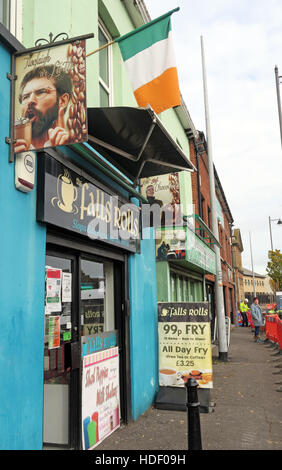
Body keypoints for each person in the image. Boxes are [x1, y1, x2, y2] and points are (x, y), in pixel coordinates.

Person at [15, 65, 72, 152]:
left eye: (41, 92)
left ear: (63, 100)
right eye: (25, 97)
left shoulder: (71, 149)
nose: (30, 100)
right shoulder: (9, 147)